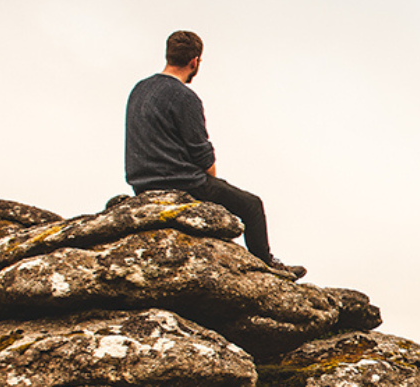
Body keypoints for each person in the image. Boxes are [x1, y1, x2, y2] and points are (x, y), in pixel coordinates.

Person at [125, 30, 305, 279]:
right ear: (194, 62)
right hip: (180, 182)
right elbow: (201, 153)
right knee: (251, 205)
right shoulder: (184, 97)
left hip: (141, 184)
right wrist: (211, 180)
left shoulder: (139, 90)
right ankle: (266, 267)